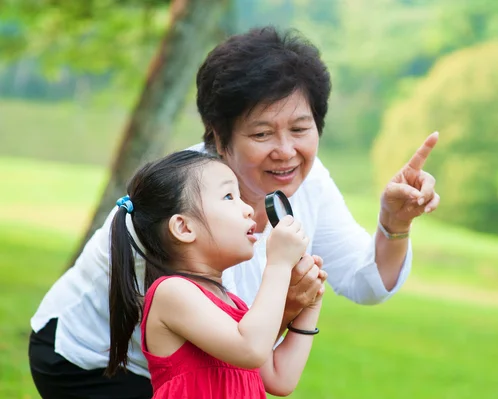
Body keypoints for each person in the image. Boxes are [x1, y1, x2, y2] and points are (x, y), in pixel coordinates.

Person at [29, 26, 440, 398]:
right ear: (219, 139)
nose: (285, 151)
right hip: (92, 365)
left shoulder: (309, 182)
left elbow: (366, 281)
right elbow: (243, 341)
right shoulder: (185, 206)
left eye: (300, 129)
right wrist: (288, 300)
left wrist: (394, 224)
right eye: (262, 133)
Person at [107, 150, 324, 398]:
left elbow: (279, 378)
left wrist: (310, 302)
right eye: (229, 196)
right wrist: (278, 265)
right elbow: (251, 349)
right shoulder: (171, 292)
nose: (249, 210)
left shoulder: (234, 305)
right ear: (184, 227)